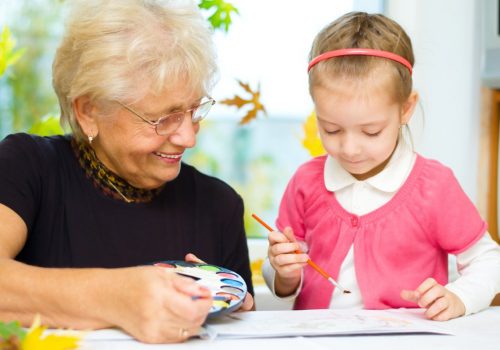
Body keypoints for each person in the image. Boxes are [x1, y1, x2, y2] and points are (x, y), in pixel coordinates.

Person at [0, 0, 254, 344]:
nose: (188, 137)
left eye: (194, 110)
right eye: (163, 118)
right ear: (89, 111)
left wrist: (240, 319)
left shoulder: (219, 205)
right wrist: (118, 297)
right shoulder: (27, 167)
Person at [263, 11, 500, 321]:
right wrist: (283, 273)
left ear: (406, 109)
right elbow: (281, 280)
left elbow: (488, 260)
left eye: (371, 132)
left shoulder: (433, 186)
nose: (348, 148)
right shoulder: (306, 181)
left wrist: (459, 297)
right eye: (331, 129)